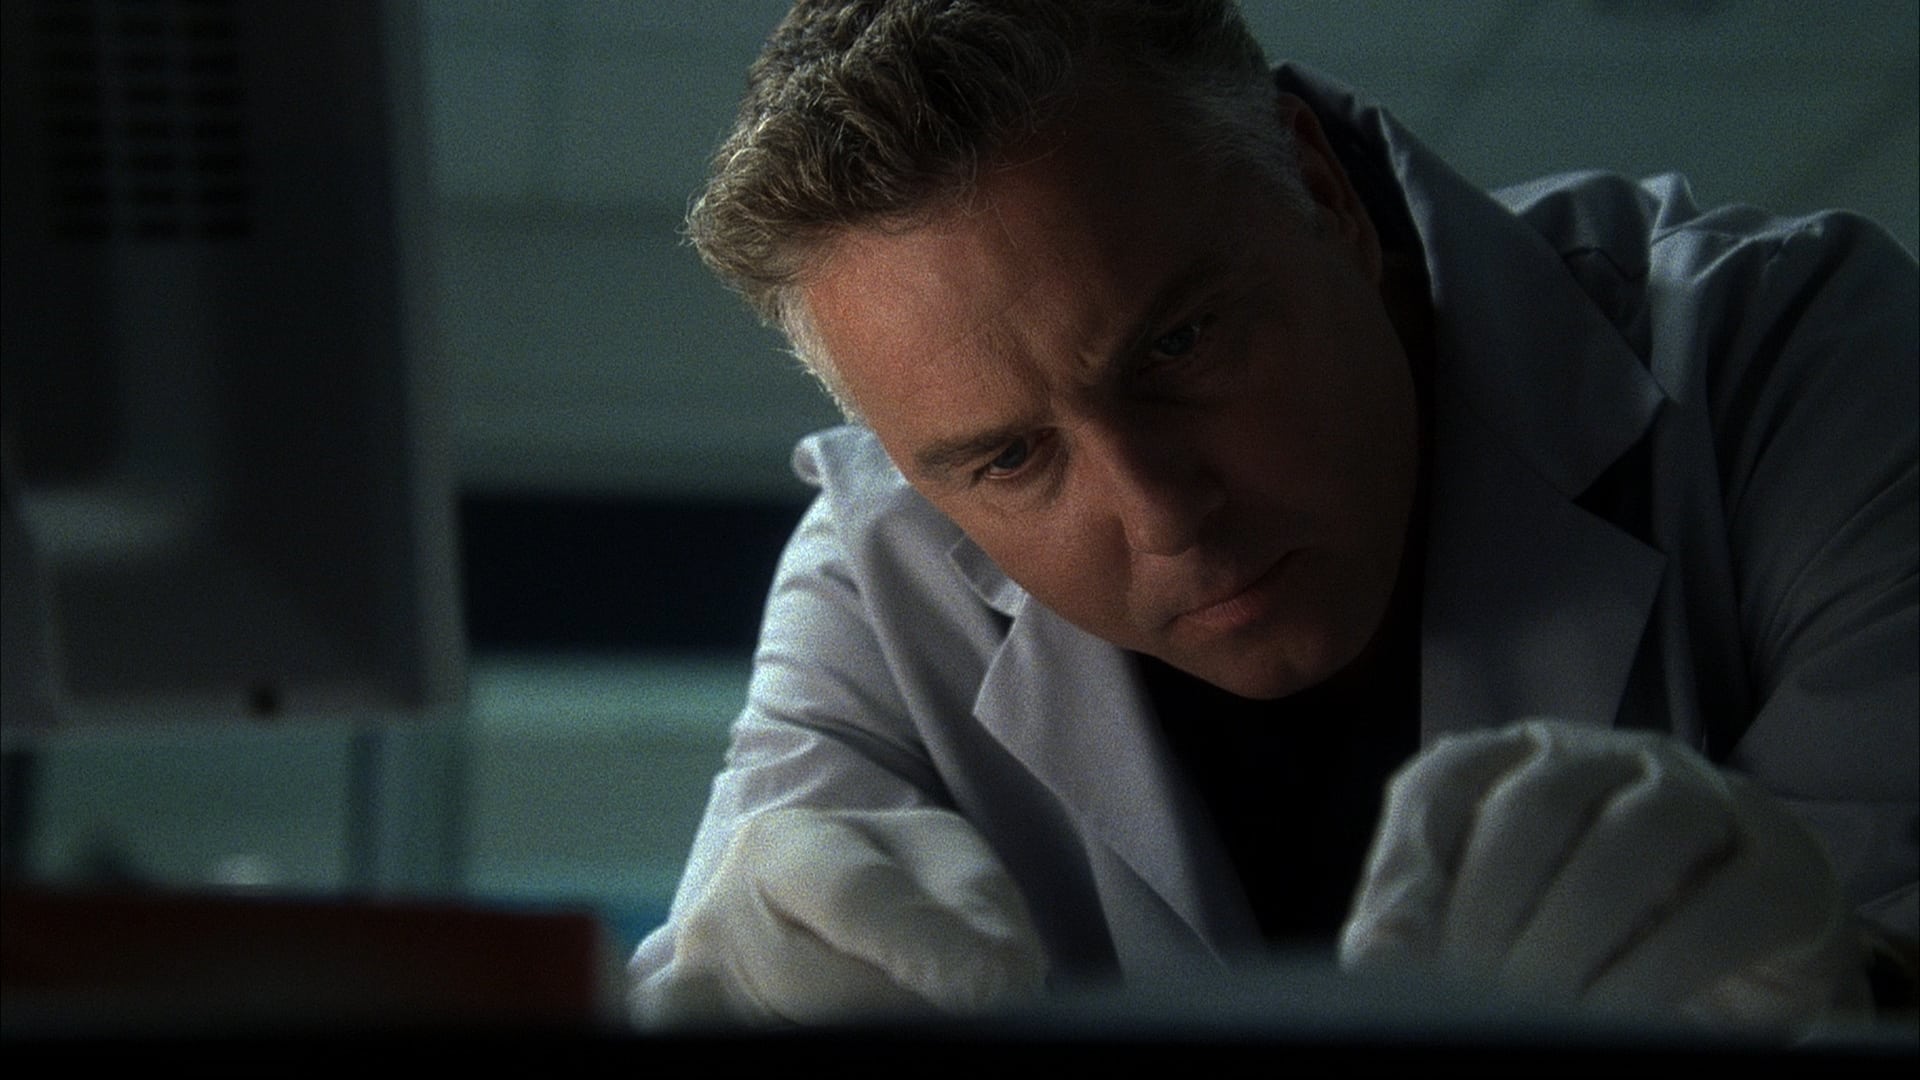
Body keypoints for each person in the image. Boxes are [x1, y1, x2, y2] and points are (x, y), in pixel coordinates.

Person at [629, 0, 1918, 1034]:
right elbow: (743, 952)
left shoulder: (1797, 361)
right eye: (1011, 459)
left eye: (1179, 344)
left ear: (1320, 188)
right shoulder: (877, 571)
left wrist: (1855, 978)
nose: (1163, 518)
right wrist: (731, 996)